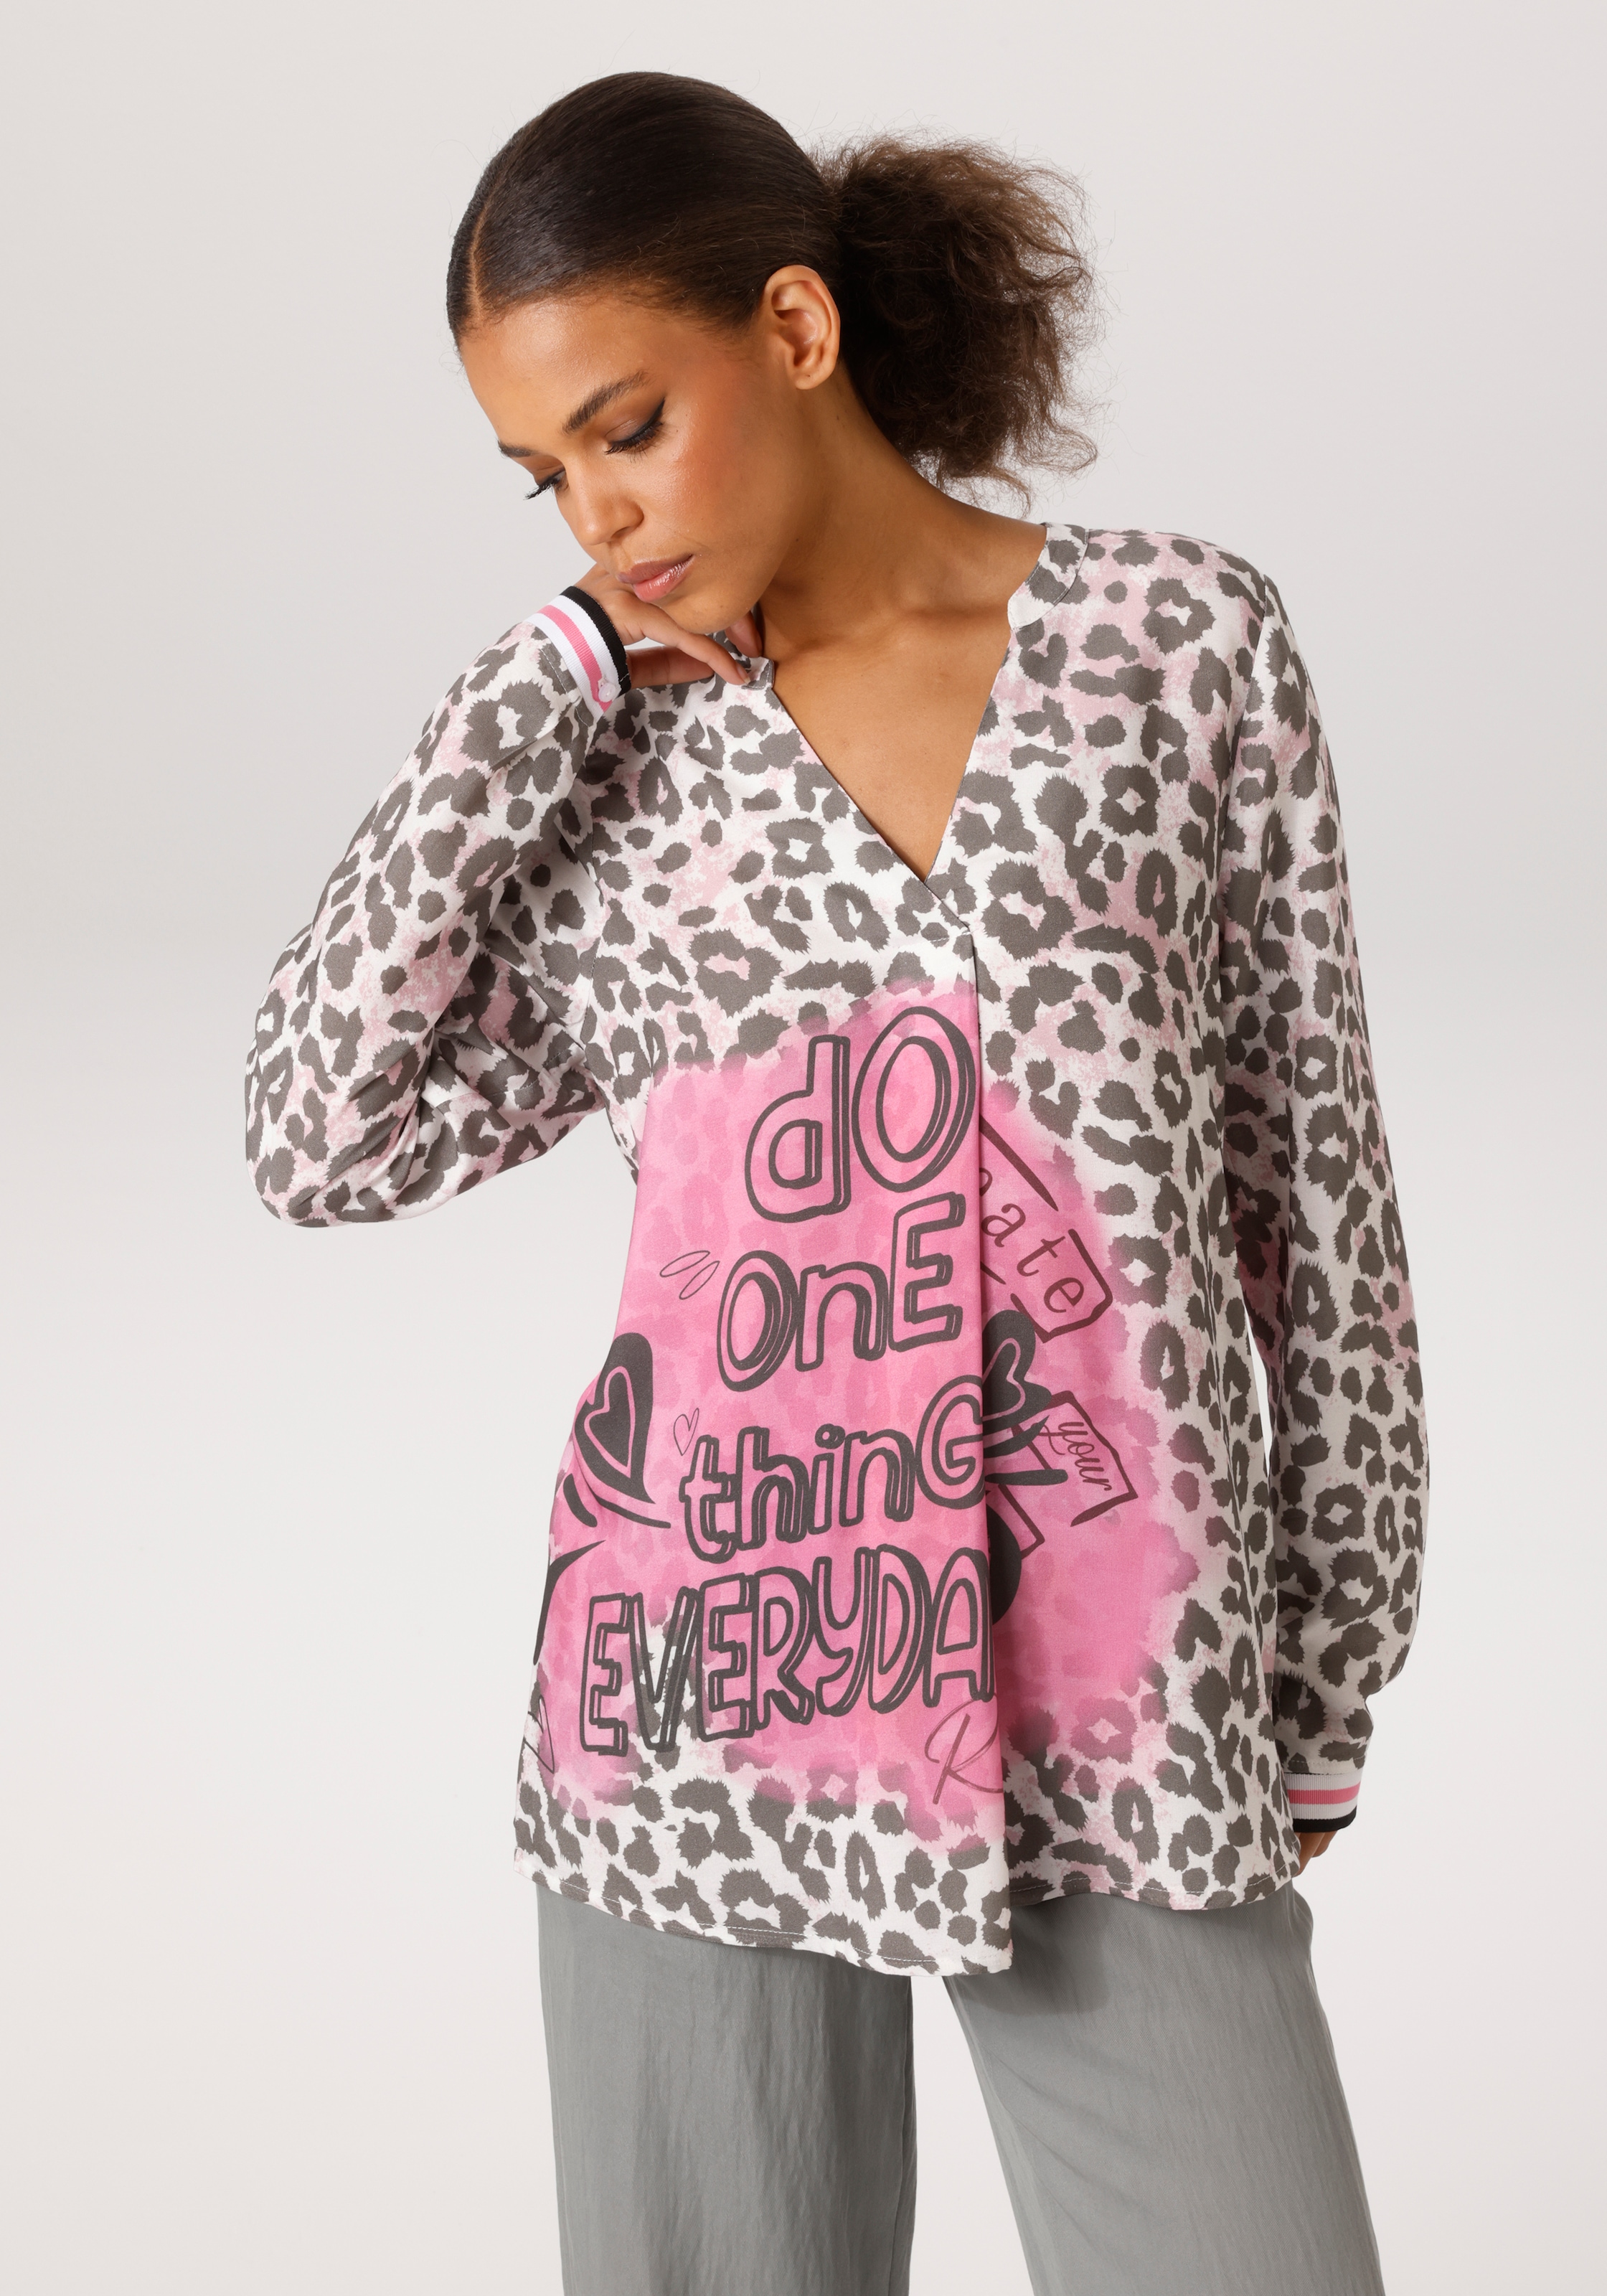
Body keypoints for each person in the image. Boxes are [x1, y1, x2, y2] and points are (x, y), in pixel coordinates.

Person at [245, 69, 1427, 2296]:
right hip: (695, 1711)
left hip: (1129, 1696)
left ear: (794, 329)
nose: (597, 512)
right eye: (545, 475)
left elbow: (1321, 1216)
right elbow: (319, 1134)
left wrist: (1328, 1672)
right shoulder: (613, 765)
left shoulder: (1179, 652)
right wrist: (536, 685)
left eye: (625, 427)